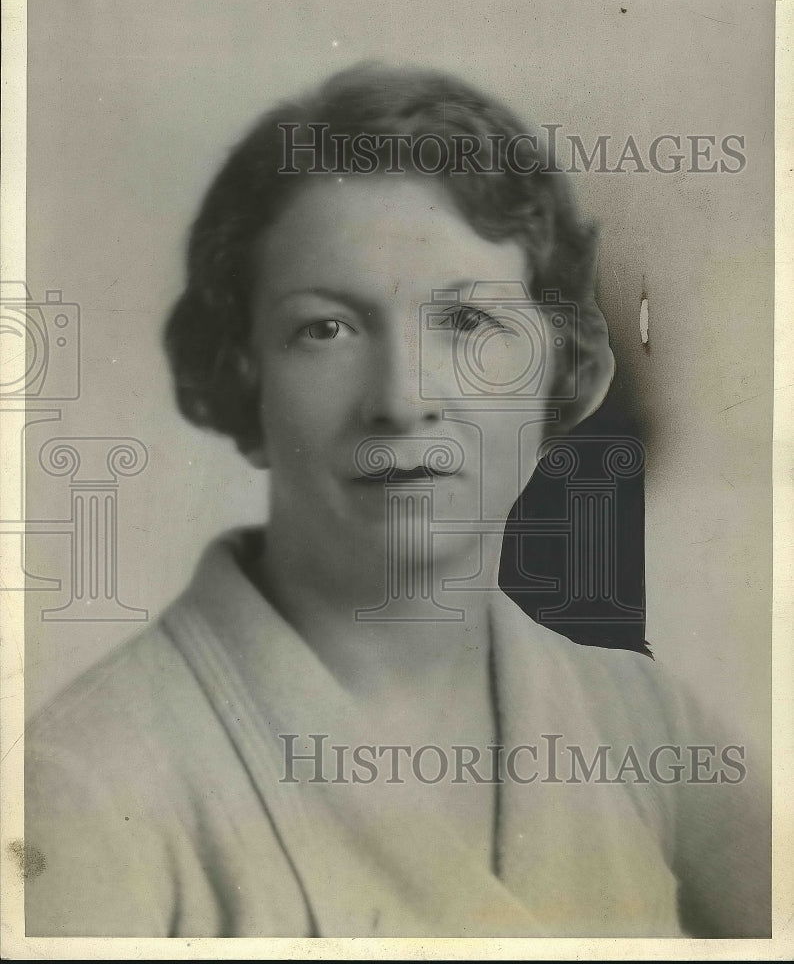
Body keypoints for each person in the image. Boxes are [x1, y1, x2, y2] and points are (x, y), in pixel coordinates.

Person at [25, 64, 770, 938]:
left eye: (467, 323)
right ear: (241, 380)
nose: (403, 397)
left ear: (553, 374)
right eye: (327, 327)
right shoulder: (84, 787)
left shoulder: (640, 721)